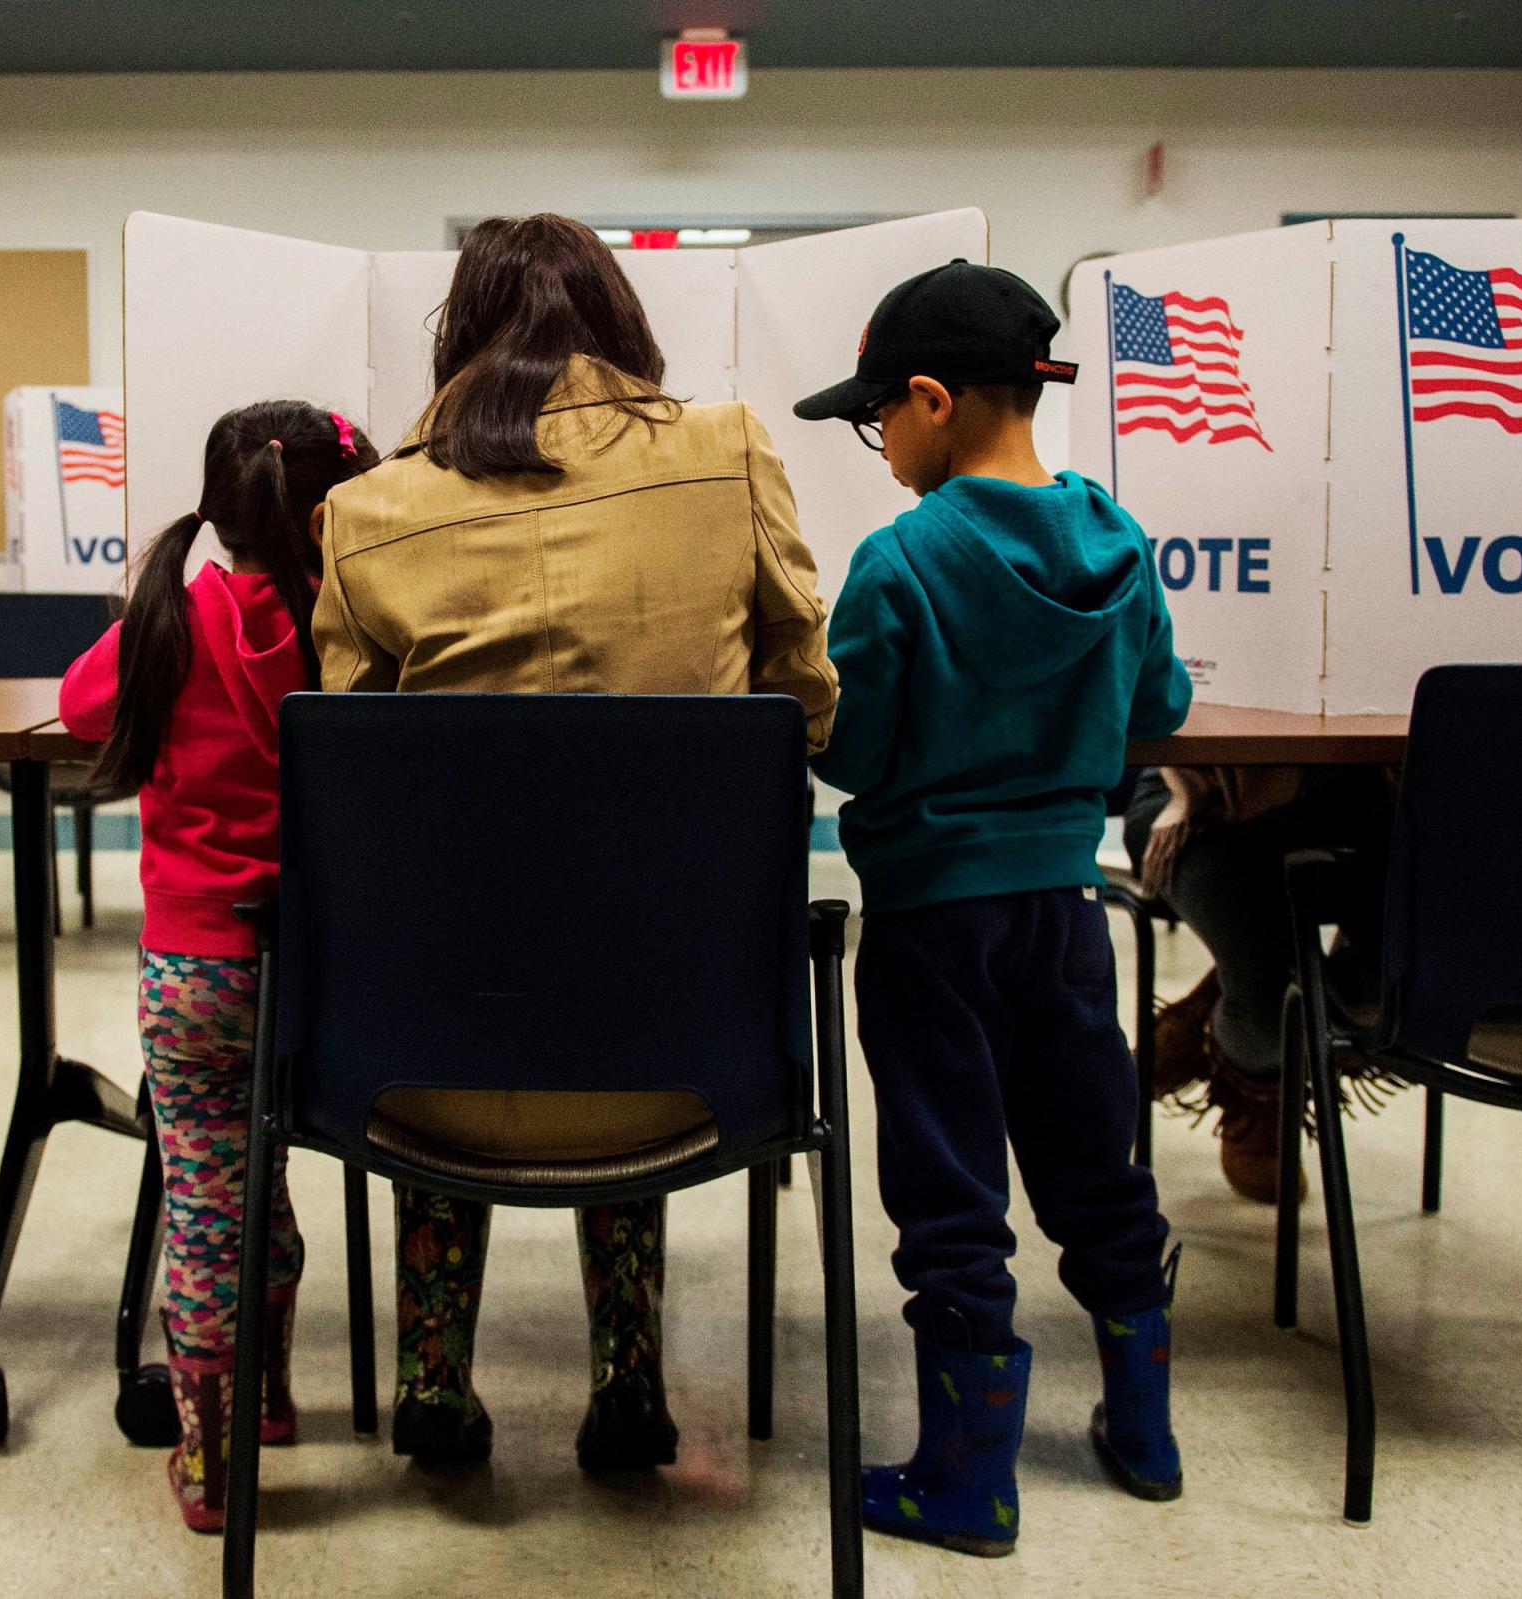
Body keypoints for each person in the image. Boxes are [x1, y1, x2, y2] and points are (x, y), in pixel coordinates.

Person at [312, 213, 837, 1473]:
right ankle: (628, 1380)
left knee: (467, 932)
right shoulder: (728, 453)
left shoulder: (366, 509)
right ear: (620, 320)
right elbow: (805, 702)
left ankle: (433, 1383)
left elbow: (341, 777)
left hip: (423, 1068)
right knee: (633, 923)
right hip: (687, 1058)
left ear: (457, 334)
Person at [797, 261, 1190, 1556]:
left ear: (931, 400)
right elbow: (1159, 711)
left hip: (929, 928)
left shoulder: (901, 559)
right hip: (1068, 913)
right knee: (1097, 1162)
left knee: (951, 1185)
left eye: (878, 419)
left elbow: (851, 751)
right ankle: (1143, 1426)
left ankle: (971, 1477)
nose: (881, 443)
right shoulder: (1119, 539)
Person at [59, 400, 380, 1534]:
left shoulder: (174, 615)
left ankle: (216, 1460)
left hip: (191, 972)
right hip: (318, 978)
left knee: (208, 1201)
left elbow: (78, 703)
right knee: (274, 1182)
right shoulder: (339, 627)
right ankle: (276, 1399)